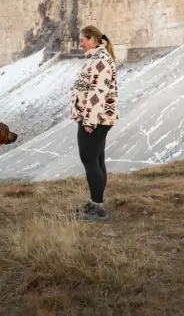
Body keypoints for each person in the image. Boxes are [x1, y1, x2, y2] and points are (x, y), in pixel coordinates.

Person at [71, 24, 119, 221]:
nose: (80, 43)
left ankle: (98, 209)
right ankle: (95, 203)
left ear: (92, 39)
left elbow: (97, 93)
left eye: (82, 40)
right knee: (97, 160)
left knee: (90, 160)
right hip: (98, 118)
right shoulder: (98, 58)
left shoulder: (100, 60)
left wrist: (89, 121)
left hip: (95, 119)